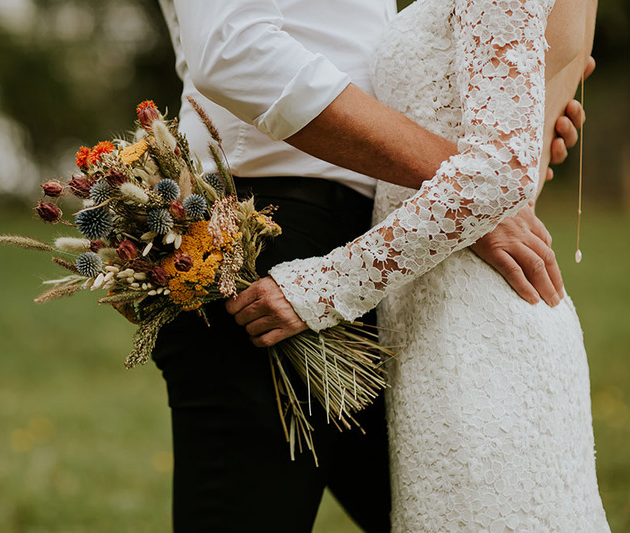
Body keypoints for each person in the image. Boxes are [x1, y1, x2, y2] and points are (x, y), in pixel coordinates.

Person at [155, 1, 591, 531]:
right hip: (273, 232)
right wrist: (470, 178)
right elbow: (232, 50)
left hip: (403, 257)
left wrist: (507, 120)